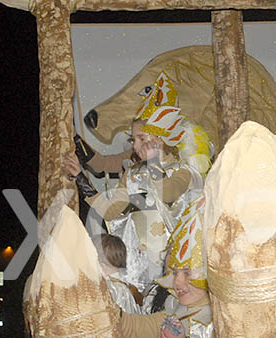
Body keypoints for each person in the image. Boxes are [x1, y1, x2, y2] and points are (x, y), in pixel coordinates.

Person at [64, 71, 211, 297]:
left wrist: (153, 162)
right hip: (137, 270)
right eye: (134, 139)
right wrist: (81, 178)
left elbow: (167, 194)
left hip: (175, 270)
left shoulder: (185, 172)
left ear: (159, 138)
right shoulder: (133, 174)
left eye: (142, 138)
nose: (135, 145)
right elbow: (111, 211)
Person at [117, 196, 213, 338]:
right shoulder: (175, 306)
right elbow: (134, 326)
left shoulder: (221, 322)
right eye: (174, 273)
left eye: (188, 273)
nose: (177, 282)